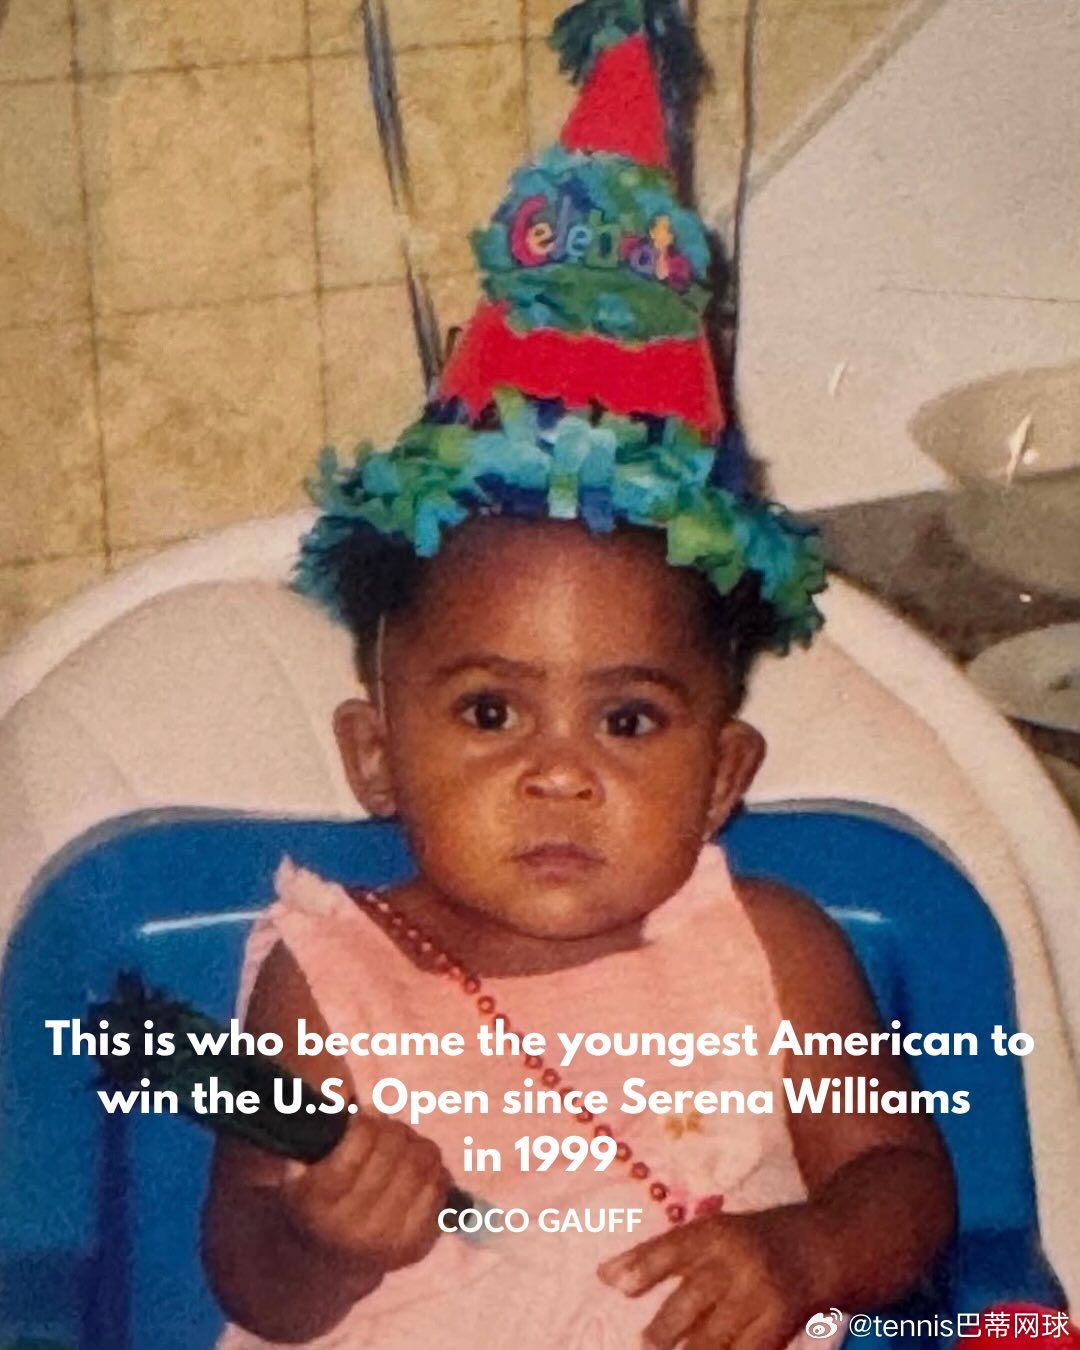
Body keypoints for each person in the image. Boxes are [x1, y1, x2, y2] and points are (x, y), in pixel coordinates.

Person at [201, 2, 955, 1345]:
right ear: (375, 753)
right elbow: (246, 1272)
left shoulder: (772, 952)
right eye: (491, 710)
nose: (560, 772)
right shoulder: (326, 980)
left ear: (721, 773)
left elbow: (905, 1184)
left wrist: (807, 1250)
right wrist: (318, 1233)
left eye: (629, 717)